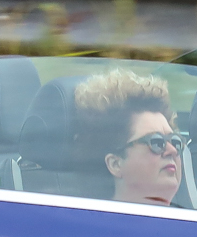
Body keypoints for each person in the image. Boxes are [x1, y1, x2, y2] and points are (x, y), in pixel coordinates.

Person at [75, 68, 185, 206]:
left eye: (175, 141)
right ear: (115, 164)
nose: (173, 150)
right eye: (156, 142)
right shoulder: (98, 225)